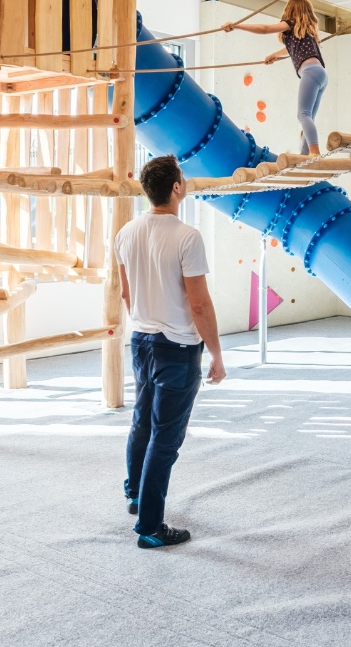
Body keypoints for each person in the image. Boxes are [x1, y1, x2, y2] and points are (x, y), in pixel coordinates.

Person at [116, 155, 226, 549]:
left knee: (142, 422)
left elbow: (127, 293)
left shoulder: (126, 232)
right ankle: (150, 527)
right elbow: (199, 304)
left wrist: (147, 321)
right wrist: (216, 353)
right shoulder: (187, 236)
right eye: (183, 177)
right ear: (176, 188)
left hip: (141, 341)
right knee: (166, 438)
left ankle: (134, 494)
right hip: (177, 348)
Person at [223, 0, 327, 154]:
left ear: (290, 10)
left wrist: (237, 26)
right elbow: (290, 50)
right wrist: (275, 55)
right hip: (321, 74)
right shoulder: (308, 33)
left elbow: (265, 29)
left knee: (303, 114)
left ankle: (314, 152)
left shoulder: (290, 23)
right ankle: (306, 155)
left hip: (310, 71)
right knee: (308, 117)